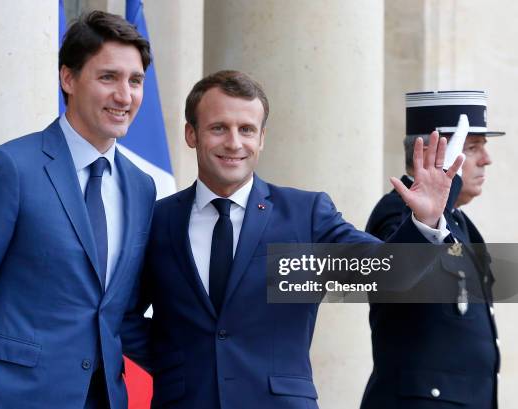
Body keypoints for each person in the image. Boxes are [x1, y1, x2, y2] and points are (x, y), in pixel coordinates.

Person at [121, 71, 462, 409]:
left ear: (262, 138)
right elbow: (120, 314)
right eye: (219, 128)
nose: (234, 143)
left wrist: (425, 221)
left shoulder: (306, 214)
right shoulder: (157, 219)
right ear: (191, 133)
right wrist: (177, 359)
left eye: (247, 130)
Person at [0, 11, 156, 409]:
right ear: (68, 78)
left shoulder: (141, 186)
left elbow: (120, 313)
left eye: (135, 81)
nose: (125, 95)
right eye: (108, 77)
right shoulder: (9, 169)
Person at [361, 91, 503, 409]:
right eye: (472, 147)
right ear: (433, 155)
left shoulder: (458, 221)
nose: (487, 159)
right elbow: (393, 276)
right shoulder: (400, 212)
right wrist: (431, 209)